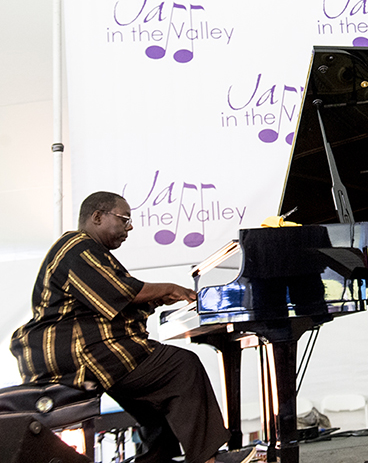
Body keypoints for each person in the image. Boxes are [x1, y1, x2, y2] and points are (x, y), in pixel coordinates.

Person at [9, 191, 229, 463]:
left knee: (151, 388)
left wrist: (158, 297)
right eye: (124, 219)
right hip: (77, 351)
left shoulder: (88, 251)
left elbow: (116, 301)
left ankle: (158, 457)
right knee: (181, 366)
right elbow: (121, 292)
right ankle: (206, 458)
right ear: (98, 217)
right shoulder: (77, 246)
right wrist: (169, 288)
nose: (130, 227)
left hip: (79, 349)